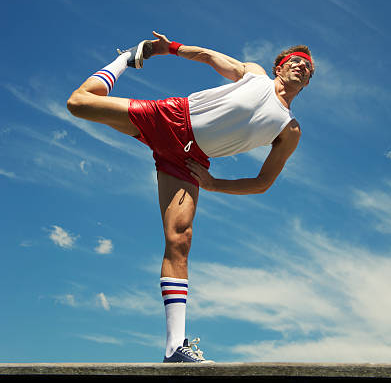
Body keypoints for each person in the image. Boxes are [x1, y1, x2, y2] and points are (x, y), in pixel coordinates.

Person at [67, 31, 314, 363]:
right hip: (170, 118)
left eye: (307, 68)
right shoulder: (254, 75)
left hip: (189, 160)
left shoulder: (289, 129)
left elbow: (262, 182)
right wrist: (169, 49)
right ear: (279, 67)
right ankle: (123, 60)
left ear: (307, 82)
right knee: (78, 103)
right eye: (295, 61)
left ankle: (175, 348)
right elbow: (210, 57)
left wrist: (214, 185)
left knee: (180, 239)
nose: (300, 67)